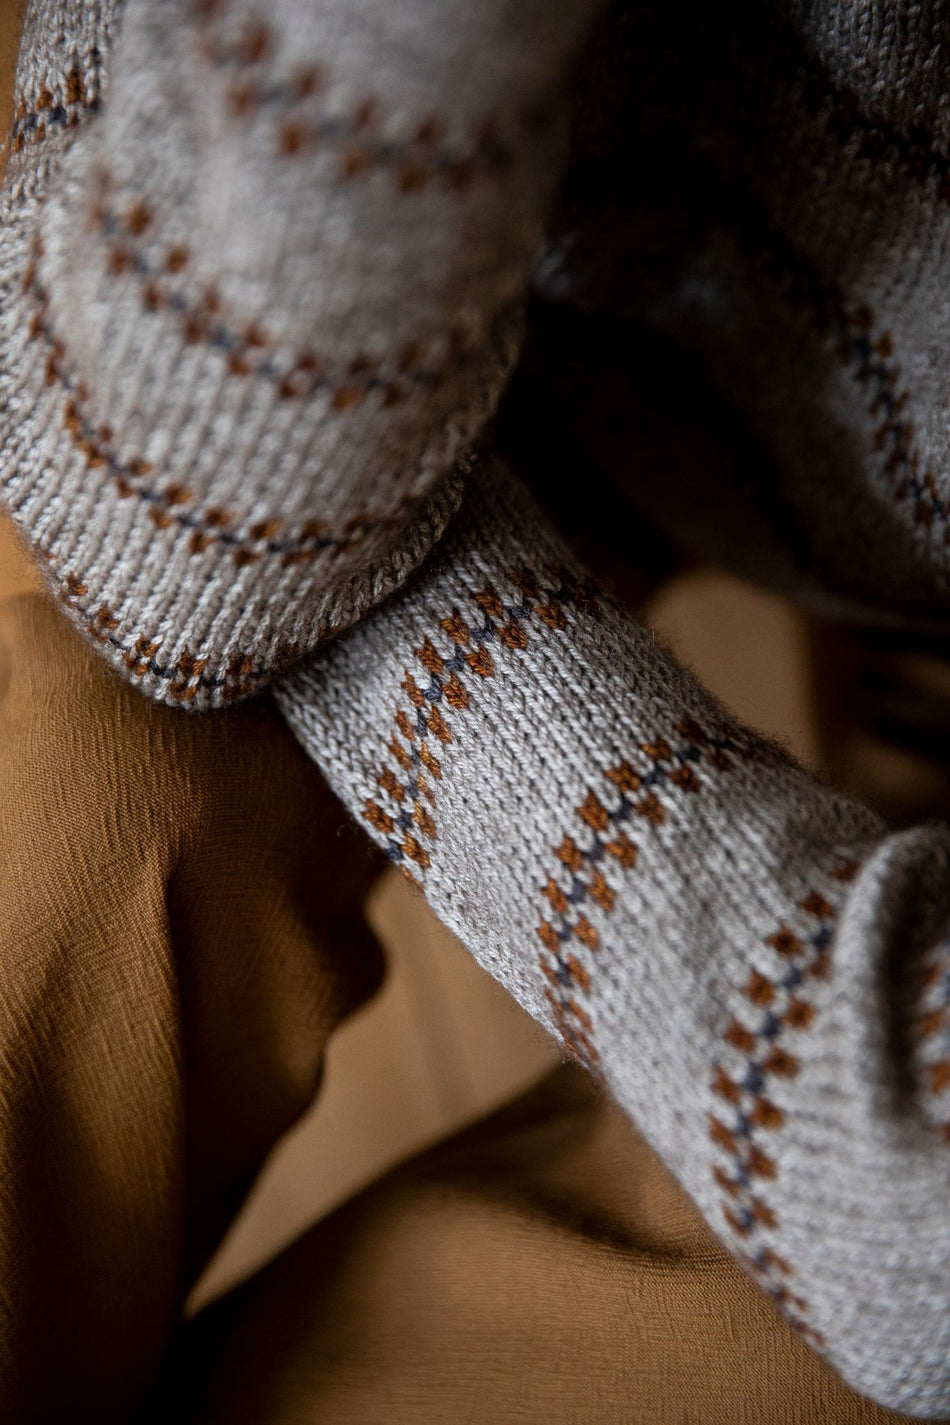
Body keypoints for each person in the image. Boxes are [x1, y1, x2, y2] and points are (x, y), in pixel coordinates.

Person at [3, 0, 950, 1418]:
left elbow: (907, 1225)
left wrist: (301, 536)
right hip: (536, 312)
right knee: (97, 792)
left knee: (793, 1353)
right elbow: (154, 533)